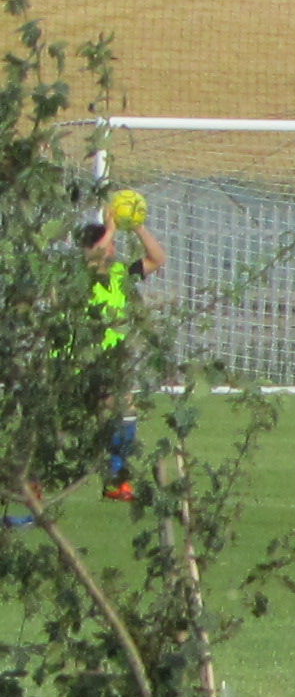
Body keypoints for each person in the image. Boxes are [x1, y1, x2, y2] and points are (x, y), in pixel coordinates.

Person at [82, 197, 162, 501]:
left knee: (124, 409)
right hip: (82, 358)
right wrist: (111, 227)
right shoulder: (84, 273)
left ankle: (116, 479)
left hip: (113, 358)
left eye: (113, 243)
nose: (112, 249)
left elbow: (156, 258)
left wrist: (138, 227)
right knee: (73, 423)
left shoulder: (120, 274)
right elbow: (93, 259)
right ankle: (33, 481)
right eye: (108, 244)